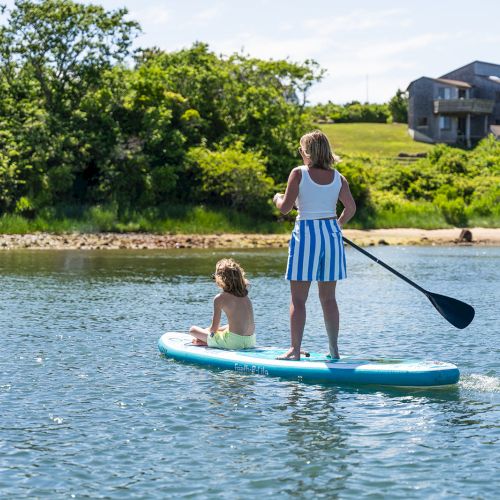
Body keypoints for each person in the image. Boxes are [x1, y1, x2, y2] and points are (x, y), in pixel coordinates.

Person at [273, 130, 356, 360]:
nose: (300, 154)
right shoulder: (339, 177)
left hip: (307, 235)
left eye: (301, 150)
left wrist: (276, 197)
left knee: (298, 299)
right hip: (331, 235)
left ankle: (295, 350)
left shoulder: (298, 174)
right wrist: (337, 226)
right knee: (329, 298)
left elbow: (285, 208)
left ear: (307, 152)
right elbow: (351, 208)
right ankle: (334, 351)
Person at [189, 258, 256, 349]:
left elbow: (214, 329)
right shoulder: (245, 295)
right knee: (229, 326)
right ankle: (210, 340)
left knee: (193, 330)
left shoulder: (219, 298)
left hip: (234, 343)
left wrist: (205, 333)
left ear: (220, 279)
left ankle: (207, 342)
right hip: (250, 341)